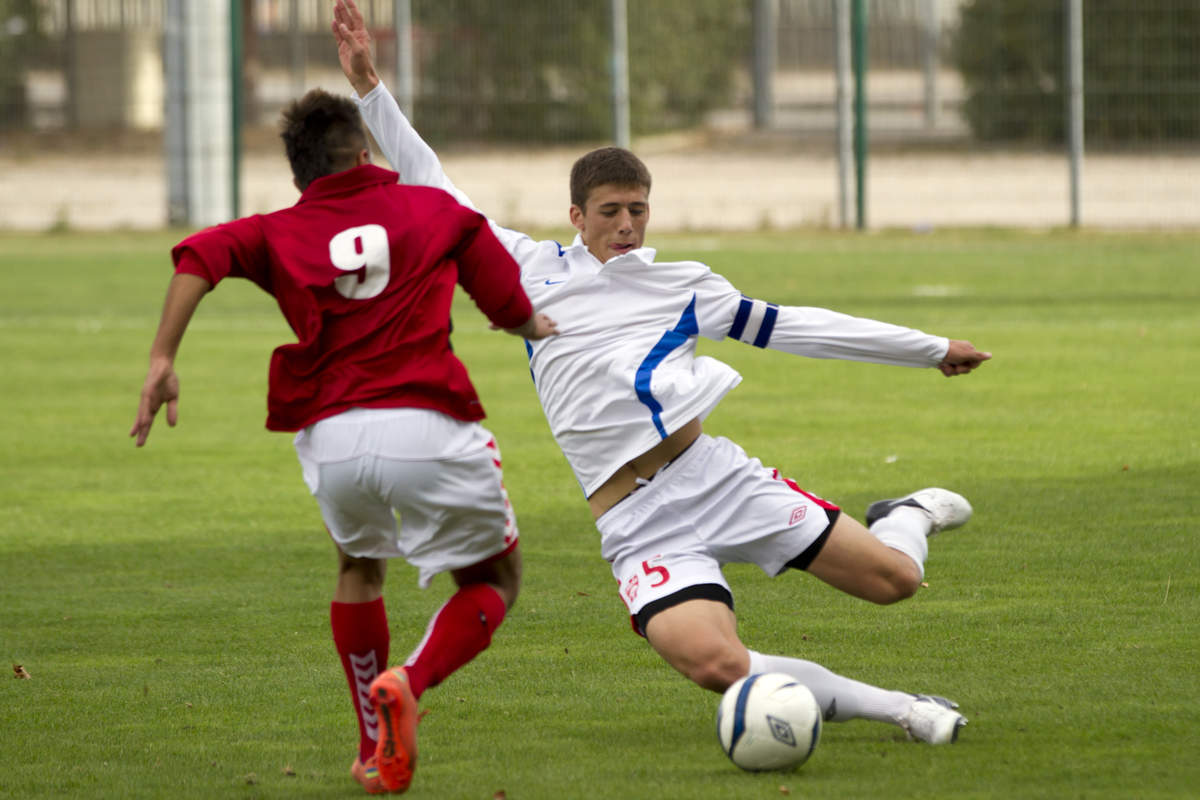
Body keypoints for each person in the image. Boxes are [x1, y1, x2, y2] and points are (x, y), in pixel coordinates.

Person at [332, 0, 991, 753]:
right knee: (717, 663)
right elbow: (431, 179)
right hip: (634, 521)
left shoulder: (684, 285)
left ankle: (908, 510)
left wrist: (929, 346)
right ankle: (903, 710)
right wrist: (368, 87)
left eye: (638, 211)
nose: (626, 225)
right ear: (574, 215)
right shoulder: (526, 267)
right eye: (609, 211)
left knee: (895, 579)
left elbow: (800, 326)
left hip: (713, 477)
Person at [130, 88, 557, 794]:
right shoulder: (434, 208)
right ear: (365, 152)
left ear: (301, 176)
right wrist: (530, 325)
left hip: (330, 437)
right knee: (493, 582)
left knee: (358, 567)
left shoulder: (276, 228)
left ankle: (370, 748)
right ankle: (409, 684)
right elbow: (508, 303)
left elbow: (198, 259)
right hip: (427, 421)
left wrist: (161, 360)